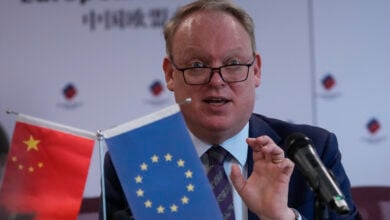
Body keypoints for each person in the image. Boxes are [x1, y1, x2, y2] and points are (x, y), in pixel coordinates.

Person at [100, 0, 359, 219]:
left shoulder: (311, 150)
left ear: (255, 71)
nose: (217, 80)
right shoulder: (132, 161)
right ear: (170, 75)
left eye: (233, 63)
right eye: (197, 64)